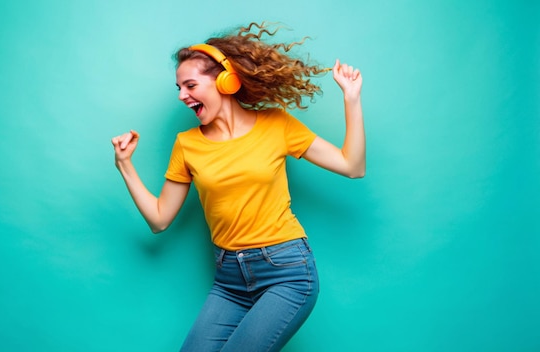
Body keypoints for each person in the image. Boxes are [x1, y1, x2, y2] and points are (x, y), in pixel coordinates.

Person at [111, 21, 365, 352]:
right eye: (178, 87)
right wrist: (125, 165)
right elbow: (159, 220)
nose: (181, 96)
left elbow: (352, 166)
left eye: (190, 85)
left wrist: (351, 99)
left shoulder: (276, 124)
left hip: (286, 271)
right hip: (230, 279)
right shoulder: (187, 145)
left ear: (225, 81)